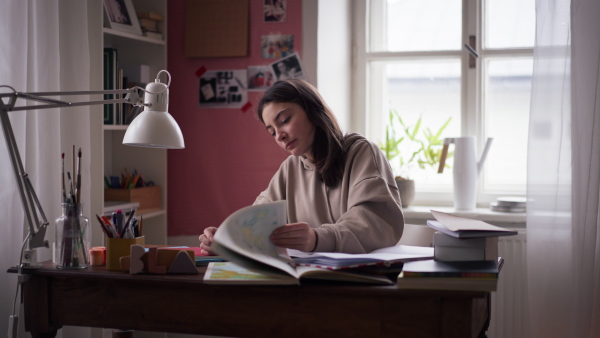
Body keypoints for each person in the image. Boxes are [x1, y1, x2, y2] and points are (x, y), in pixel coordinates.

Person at [199, 79, 404, 254]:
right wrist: (225, 239)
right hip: (305, 283)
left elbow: (374, 224)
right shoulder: (290, 168)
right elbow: (256, 222)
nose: (279, 135)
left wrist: (316, 239)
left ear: (313, 110)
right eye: (272, 131)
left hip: (361, 283)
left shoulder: (361, 152)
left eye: (285, 120)